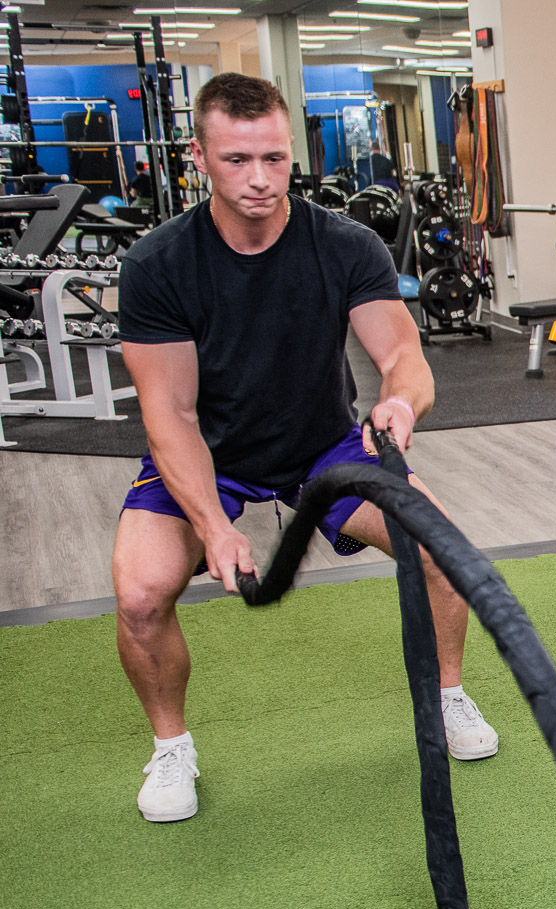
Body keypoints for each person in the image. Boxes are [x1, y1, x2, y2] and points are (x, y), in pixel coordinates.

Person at [114, 72, 497, 824]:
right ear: (200, 157)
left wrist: (399, 399)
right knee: (140, 594)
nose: (259, 178)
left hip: (323, 445)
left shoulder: (344, 244)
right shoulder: (159, 265)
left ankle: (447, 696)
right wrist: (214, 527)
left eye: (275, 158)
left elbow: (403, 355)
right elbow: (172, 417)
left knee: (441, 548)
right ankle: (171, 747)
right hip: (208, 455)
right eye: (237, 160)